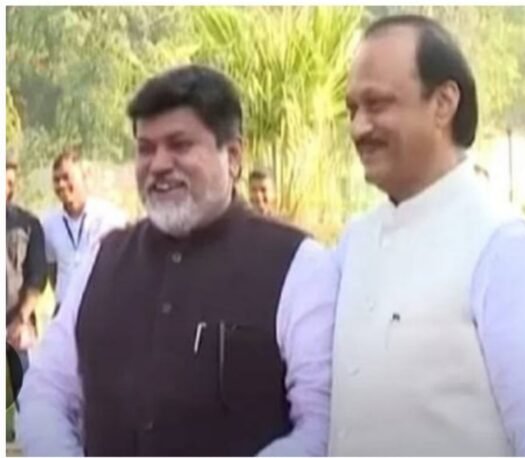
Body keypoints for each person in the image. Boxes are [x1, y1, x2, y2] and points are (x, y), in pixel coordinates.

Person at [18, 65, 338, 456]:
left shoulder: (297, 265)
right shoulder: (103, 260)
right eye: (145, 148)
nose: (158, 164)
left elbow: (322, 425)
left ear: (233, 155)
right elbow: (46, 391)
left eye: (180, 145)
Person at [330, 15, 525, 456]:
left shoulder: (502, 244)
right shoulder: (355, 241)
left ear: (443, 103)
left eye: (377, 104)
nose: (359, 128)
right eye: (353, 109)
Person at [41, 149, 127, 314]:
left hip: (101, 309)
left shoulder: (110, 218)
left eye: (66, 177)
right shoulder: (49, 224)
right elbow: (52, 270)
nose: (61, 185)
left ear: (85, 177)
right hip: (64, 310)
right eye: (56, 180)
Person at [6, 159, 48, 441]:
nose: (8, 188)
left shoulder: (29, 224)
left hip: (16, 324)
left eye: (11, 183)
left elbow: (37, 276)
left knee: (29, 397)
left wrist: (21, 320)